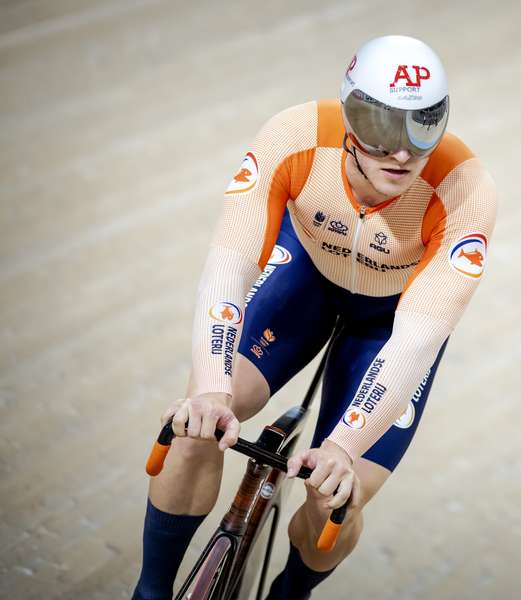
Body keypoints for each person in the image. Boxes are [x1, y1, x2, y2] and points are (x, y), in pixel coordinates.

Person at [132, 34, 497, 599]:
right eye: (381, 131)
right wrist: (210, 389)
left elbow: (414, 344)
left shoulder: (465, 191)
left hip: (389, 326)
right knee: (196, 425)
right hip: (304, 282)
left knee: (337, 504)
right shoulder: (295, 136)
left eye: (421, 128)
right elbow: (228, 268)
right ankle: (151, 592)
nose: (401, 153)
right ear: (349, 118)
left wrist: (343, 449)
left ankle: (290, 594)